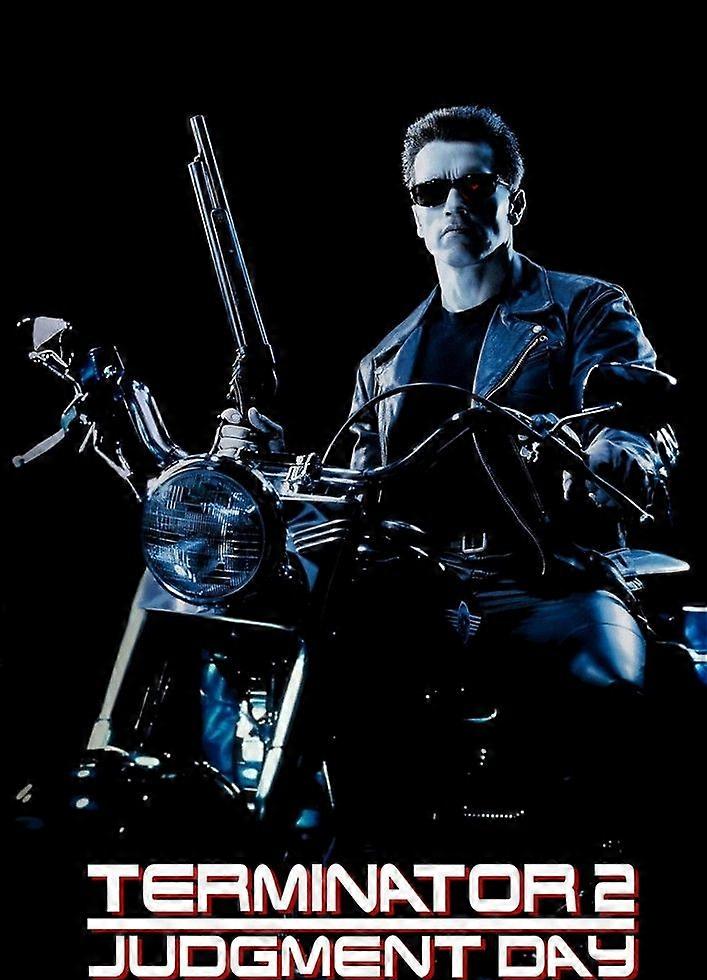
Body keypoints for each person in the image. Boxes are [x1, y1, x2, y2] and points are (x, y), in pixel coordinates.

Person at [217, 105, 676, 834]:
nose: (453, 203)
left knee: (608, 689)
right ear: (415, 215)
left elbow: (631, 412)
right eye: (432, 191)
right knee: (299, 695)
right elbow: (357, 490)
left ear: (513, 201)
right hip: (416, 591)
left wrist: (614, 450)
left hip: (547, 580)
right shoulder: (383, 360)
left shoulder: (583, 307)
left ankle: (596, 866)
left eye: (475, 185)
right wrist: (271, 464)